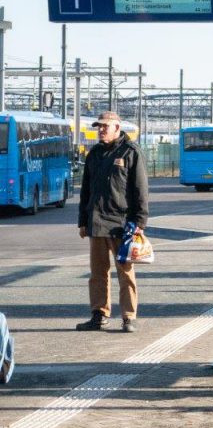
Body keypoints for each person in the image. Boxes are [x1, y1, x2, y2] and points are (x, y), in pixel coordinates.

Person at [76, 111, 149, 333]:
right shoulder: (94, 153)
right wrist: (83, 220)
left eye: (105, 126)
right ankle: (99, 315)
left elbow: (140, 190)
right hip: (96, 223)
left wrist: (139, 221)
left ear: (117, 128)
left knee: (125, 272)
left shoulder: (131, 152)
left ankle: (128, 317)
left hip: (121, 224)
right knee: (98, 274)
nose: (100, 130)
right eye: (99, 126)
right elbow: (86, 191)